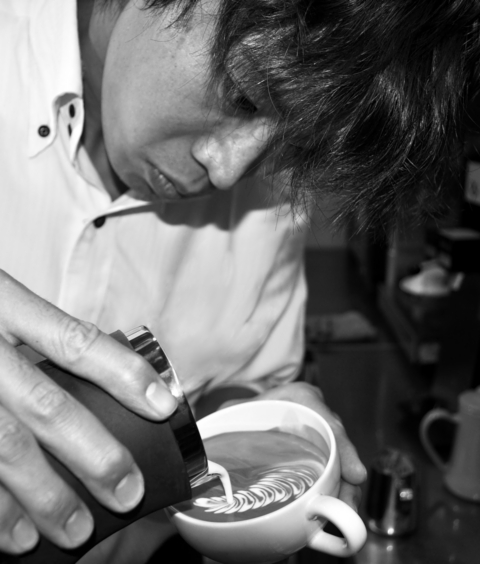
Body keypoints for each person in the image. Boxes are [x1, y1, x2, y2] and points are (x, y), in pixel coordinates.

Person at [0, 0, 478, 562]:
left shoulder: (271, 204)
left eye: (291, 142)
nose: (228, 171)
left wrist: (253, 424)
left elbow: (237, 377)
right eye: (243, 94)